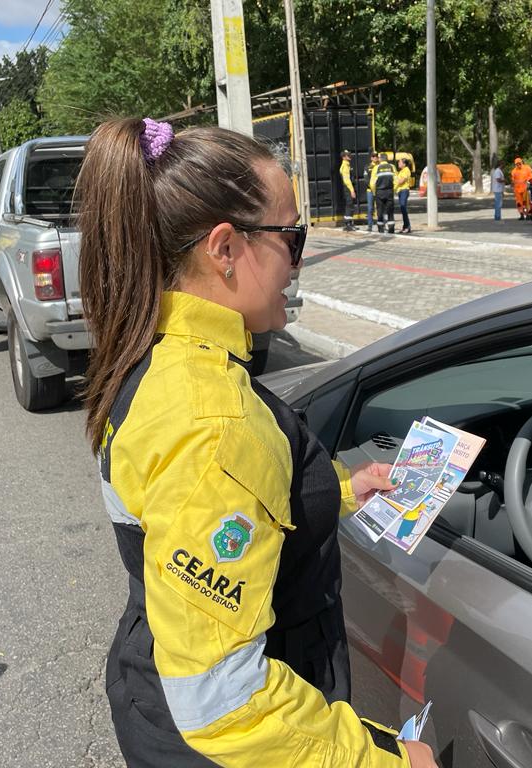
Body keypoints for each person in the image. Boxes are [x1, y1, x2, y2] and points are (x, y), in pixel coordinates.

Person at [76, 118, 438, 768]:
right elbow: (225, 702)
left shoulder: (159, 354)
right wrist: (386, 760)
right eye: (292, 239)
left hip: (156, 686)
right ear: (223, 248)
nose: (297, 263)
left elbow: (238, 502)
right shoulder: (212, 423)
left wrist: (345, 490)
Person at [371, 153, 397, 233]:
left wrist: (374, 192)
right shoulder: (392, 167)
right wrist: (394, 190)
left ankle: (381, 228)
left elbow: (372, 183)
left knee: (380, 211)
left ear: (380, 159)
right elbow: (396, 181)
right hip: (389, 191)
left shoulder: (376, 168)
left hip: (379, 192)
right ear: (387, 159)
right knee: (390, 211)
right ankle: (391, 228)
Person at [395, 157, 414, 233]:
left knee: (403, 208)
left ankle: (407, 226)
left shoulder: (406, 170)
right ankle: (405, 226)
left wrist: (395, 181)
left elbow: (401, 181)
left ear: (404, 164)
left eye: (399, 162)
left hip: (404, 190)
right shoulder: (401, 171)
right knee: (402, 209)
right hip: (400, 191)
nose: (398, 164)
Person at [339, 150, 357, 231]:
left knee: (350, 205)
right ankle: (348, 224)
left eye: (349, 154)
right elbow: (347, 180)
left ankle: (349, 223)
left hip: (349, 187)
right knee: (349, 205)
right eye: (347, 155)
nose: (349, 156)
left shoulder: (347, 165)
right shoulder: (345, 166)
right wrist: (352, 190)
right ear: (344, 157)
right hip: (348, 188)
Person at [363, 152, 379, 232]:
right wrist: (371, 186)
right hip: (370, 190)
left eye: (376, 156)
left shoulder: (380, 166)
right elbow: (366, 179)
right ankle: (370, 225)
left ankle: (381, 224)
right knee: (370, 208)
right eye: (374, 156)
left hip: (379, 190)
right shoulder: (367, 167)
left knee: (380, 207)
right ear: (371, 158)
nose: (375, 158)